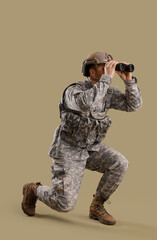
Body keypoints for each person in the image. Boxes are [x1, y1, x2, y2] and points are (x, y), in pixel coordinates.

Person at [21, 52, 142, 225]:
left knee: (120, 162)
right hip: (68, 150)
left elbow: (133, 105)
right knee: (64, 204)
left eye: (111, 67)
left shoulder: (107, 92)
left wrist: (128, 80)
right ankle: (33, 189)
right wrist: (106, 79)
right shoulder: (73, 91)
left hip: (91, 148)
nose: (110, 70)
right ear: (92, 72)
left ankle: (97, 206)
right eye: (104, 67)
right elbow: (88, 102)